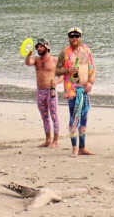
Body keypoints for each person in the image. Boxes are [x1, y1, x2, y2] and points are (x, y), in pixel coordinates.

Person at [55, 27, 97, 158]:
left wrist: (90, 82)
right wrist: (67, 70)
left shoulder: (86, 50)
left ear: (80, 37)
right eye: (72, 36)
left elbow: (93, 68)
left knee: (84, 118)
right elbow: (56, 71)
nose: (74, 38)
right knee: (74, 118)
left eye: (77, 36)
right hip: (72, 90)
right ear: (68, 38)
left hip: (84, 89)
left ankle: (82, 147)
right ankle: (74, 148)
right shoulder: (65, 52)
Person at [25, 38, 63, 148]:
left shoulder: (55, 61)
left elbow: (62, 76)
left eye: (41, 46)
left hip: (50, 91)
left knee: (54, 115)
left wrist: (56, 82)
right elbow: (28, 63)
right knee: (44, 116)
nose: (39, 48)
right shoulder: (36, 60)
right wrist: (28, 55)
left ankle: (55, 140)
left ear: (47, 47)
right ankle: (47, 139)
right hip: (40, 91)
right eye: (37, 47)